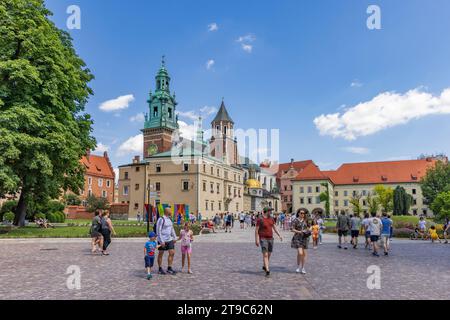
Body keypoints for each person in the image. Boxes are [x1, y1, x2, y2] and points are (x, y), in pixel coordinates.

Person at [255, 207, 283, 277]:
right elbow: (256, 230)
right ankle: (267, 270)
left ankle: (264, 265)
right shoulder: (260, 219)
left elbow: (274, 227)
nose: (271, 212)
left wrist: (279, 235)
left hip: (270, 238)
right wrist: (257, 239)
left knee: (269, 254)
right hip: (263, 238)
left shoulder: (271, 218)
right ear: (266, 211)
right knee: (265, 254)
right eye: (270, 211)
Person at [156, 207, 177, 275]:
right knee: (161, 253)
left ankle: (169, 268)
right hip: (162, 240)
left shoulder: (170, 219)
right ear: (167, 211)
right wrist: (161, 241)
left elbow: (172, 228)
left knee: (172, 252)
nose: (171, 212)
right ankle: (160, 268)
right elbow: (158, 230)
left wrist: (174, 237)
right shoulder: (161, 219)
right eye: (170, 211)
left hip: (169, 239)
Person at [291, 209, 310, 274]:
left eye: (303, 213)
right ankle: (298, 266)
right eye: (301, 213)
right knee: (300, 253)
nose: (302, 214)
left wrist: (308, 230)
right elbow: (292, 229)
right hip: (297, 238)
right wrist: (299, 231)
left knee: (304, 254)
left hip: (305, 238)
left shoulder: (306, 220)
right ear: (298, 213)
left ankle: (303, 267)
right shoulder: (295, 220)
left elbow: (309, 227)